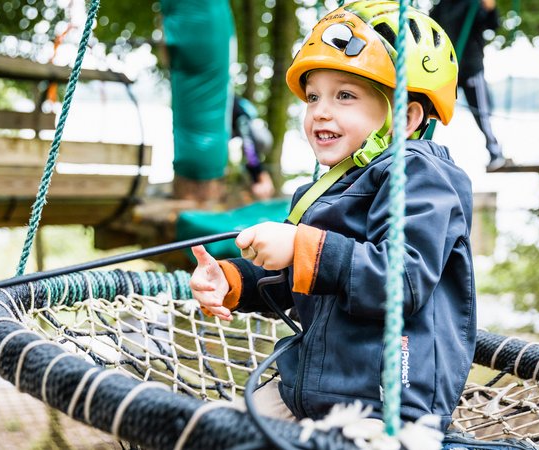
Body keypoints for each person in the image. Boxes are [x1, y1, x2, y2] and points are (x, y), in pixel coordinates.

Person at [189, 1, 476, 431]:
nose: (320, 111)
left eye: (345, 95)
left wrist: (302, 247)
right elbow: (295, 279)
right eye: (313, 97)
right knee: (206, 434)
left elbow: (400, 278)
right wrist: (232, 281)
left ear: (407, 115)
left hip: (388, 407)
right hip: (311, 390)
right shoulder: (326, 190)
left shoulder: (419, 173)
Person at [431, 0, 506, 172]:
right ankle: (422, 146)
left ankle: (495, 151)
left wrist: (490, 8)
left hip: (471, 67)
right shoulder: (442, 6)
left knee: (481, 112)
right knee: (433, 108)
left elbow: (492, 24)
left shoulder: (474, 4)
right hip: (448, 66)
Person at [231, 96, 275, 200]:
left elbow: (249, 153)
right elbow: (249, 149)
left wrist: (257, 178)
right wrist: (261, 176)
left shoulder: (241, 116)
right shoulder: (242, 117)